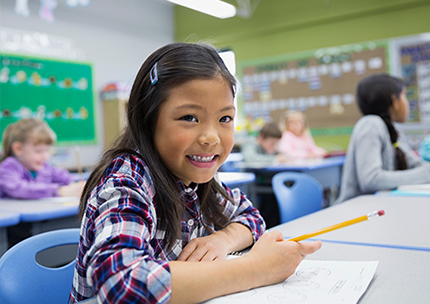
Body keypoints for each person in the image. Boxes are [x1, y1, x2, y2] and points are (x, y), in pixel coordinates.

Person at [69, 42, 321, 304]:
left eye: (225, 119)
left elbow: (251, 216)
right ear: (148, 119)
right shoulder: (127, 182)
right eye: (189, 117)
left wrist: (222, 240)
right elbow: (122, 284)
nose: (211, 138)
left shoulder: (193, 180)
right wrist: (256, 269)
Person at [334, 73, 430, 204]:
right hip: (356, 213)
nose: (407, 103)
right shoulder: (370, 124)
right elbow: (371, 180)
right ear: (394, 101)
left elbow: (416, 164)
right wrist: (426, 173)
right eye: (404, 95)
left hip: (381, 206)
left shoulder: (393, 129)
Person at [0, 118, 85, 199]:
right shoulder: (7, 168)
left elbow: (64, 177)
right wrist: (60, 191)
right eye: (39, 151)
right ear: (18, 149)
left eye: (47, 150)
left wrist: (81, 184)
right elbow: (19, 189)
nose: (45, 156)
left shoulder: (45, 167)